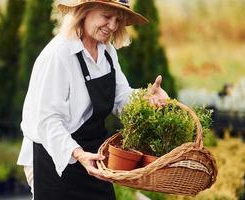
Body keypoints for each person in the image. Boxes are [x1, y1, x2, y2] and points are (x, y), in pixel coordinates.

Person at [17, 0, 169, 199]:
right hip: (55, 157)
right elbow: (47, 120)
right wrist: (78, 154)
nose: (113, 26)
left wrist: (146, 99)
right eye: (106, 16)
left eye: (118, 20)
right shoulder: (58, 55)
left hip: (94, 157)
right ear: (85, 11)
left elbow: (120, 97)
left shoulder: (107, 52)